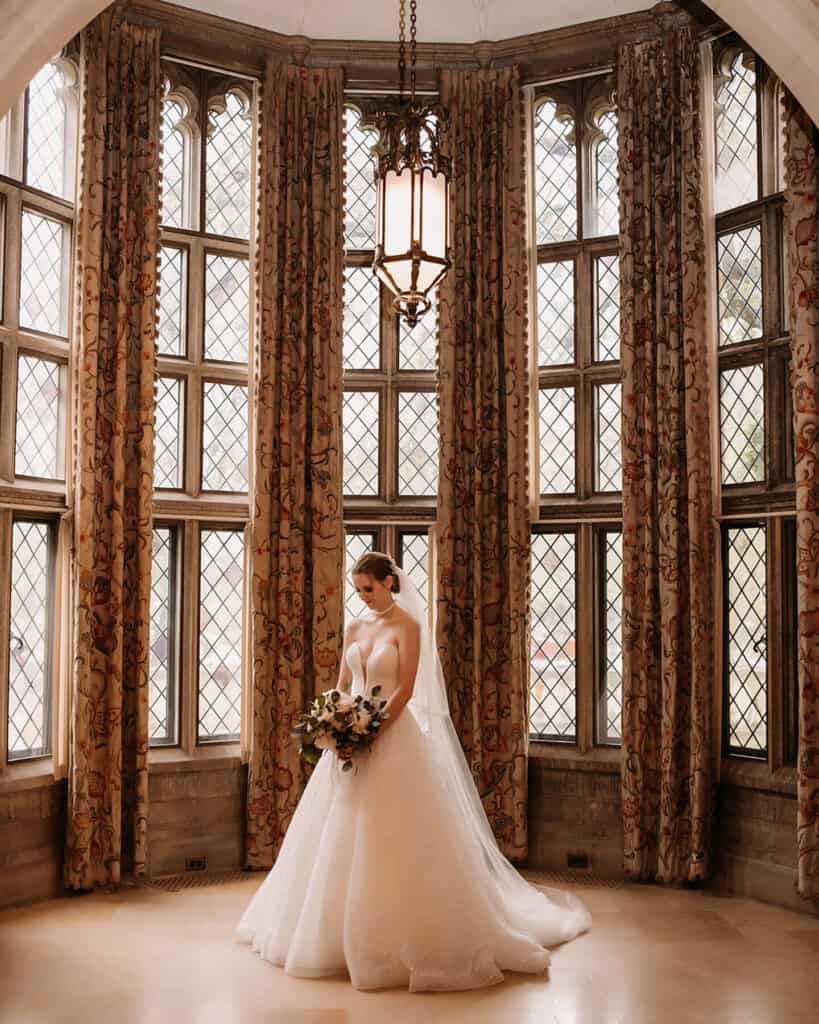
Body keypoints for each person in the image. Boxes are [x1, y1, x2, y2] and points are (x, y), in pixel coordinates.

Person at [236, 551, 591, 992]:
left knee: (396, 836)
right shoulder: (354, 627)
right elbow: (343, 685)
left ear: (389, 582)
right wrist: (334, 720)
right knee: (335, 833)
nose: (363, 597)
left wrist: (372, 731)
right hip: (350, 739)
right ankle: (325, 937)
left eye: (369, 587)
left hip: (391, 736)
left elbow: (404, 689)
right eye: (358, 589)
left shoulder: (408, 626)